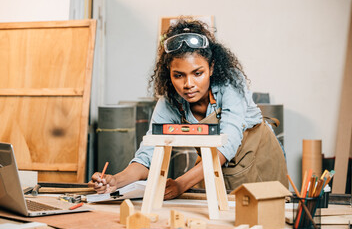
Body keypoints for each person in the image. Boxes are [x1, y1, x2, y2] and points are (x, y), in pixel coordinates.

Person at [88, 18, 288, 199]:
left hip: (259, 161)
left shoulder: (231, 84)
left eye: (198, 73)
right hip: (210, 169)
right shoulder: (170, 103)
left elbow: (227, 143)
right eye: (179, 75)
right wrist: (115, 181)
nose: (188, 84)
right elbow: (147, 156)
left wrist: (181, 184)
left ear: (211, 67)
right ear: (169, 73)